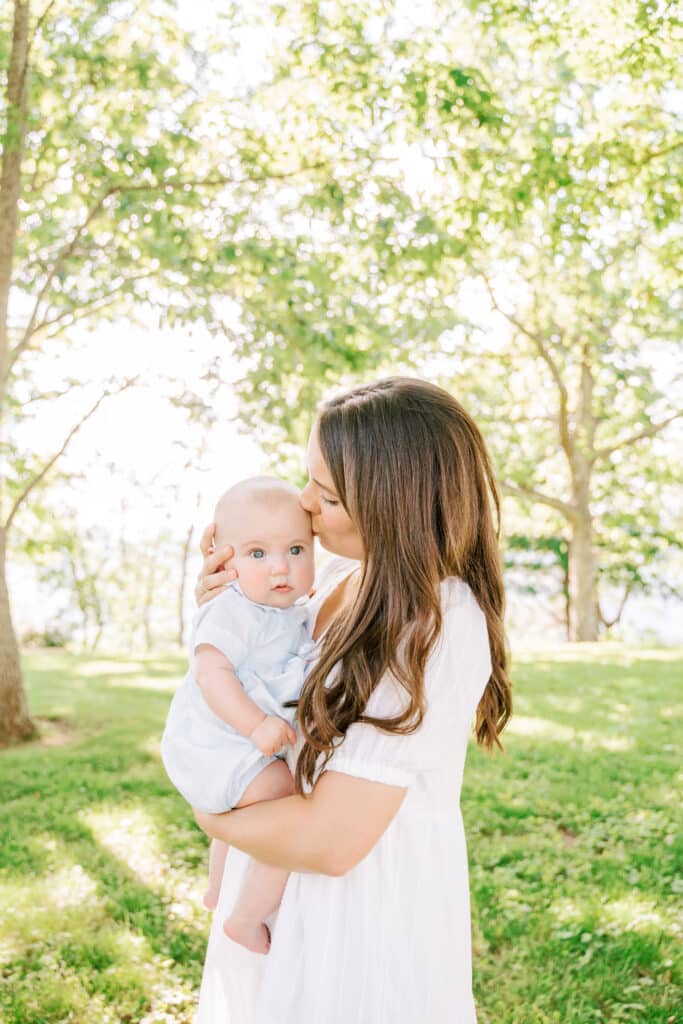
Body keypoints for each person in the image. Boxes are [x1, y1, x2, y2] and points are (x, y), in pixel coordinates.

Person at [192, 377, 512, 1024]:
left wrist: (217, 820)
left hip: (361, 902)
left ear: (393, 503)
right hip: (283, 867)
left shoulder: (436, 621)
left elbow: (335, 840)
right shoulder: (338, 577)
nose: (305, 506)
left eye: (329, 495)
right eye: (308, 479)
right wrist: (228, 612)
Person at [160, 477, 315, 954]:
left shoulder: (291, 612)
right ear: (223, 559)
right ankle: (245, 918)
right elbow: (212, 675)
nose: (279, 568)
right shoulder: (232, 610)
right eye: (256, 554)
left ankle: (218, 888)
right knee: (283, 799)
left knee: (248, 804)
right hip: (217, 741)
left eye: (294, 549)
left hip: (234, 742)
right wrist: (257, 725)